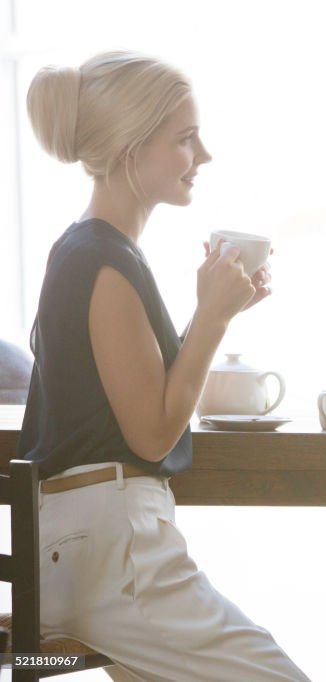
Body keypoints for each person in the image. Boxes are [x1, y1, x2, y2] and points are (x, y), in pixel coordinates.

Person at [18, 51, 309, 681]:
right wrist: (211, 320)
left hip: (80, 553)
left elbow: (131, 399)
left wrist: (218, 312)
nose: (202, 156)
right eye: (185, 139)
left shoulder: (88, 251)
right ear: (130, 150)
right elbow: (153, 432)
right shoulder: (103, 262)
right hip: (113, 555)